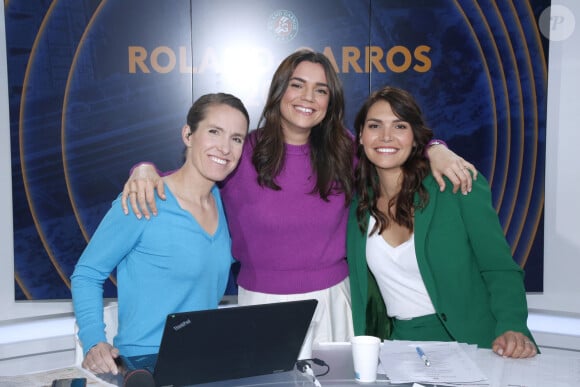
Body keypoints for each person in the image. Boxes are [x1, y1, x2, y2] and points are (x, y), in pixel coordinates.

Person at [120, 49, 477, 347]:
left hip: (335, 302)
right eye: (298, 85)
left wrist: (435, 148)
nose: (308, 98)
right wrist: (143, 167)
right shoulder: (241, 151)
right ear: (279, 91)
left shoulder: (346, 150)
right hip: (261, 306)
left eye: (321, 90)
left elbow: (392, 145)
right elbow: (186, 175)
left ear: (330, 101)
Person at [347, 86, 537, 358]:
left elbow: (499, 268)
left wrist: (512, 326)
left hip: (477, 344)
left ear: (415, 139)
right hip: (398, 350)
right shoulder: (357, 205)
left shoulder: (456, 185)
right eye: (374, 125)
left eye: (399, 126)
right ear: (361, 138)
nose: (386, 136)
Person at [71, 93, 250, 375]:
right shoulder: (144, 199)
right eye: (214, 132)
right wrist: (94, 342)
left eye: (236, 138)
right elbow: (87, 273)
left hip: (204, 359)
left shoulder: (221, 199)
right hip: (146, 363)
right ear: (188, 135)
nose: (225, 148)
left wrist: (144, 167)